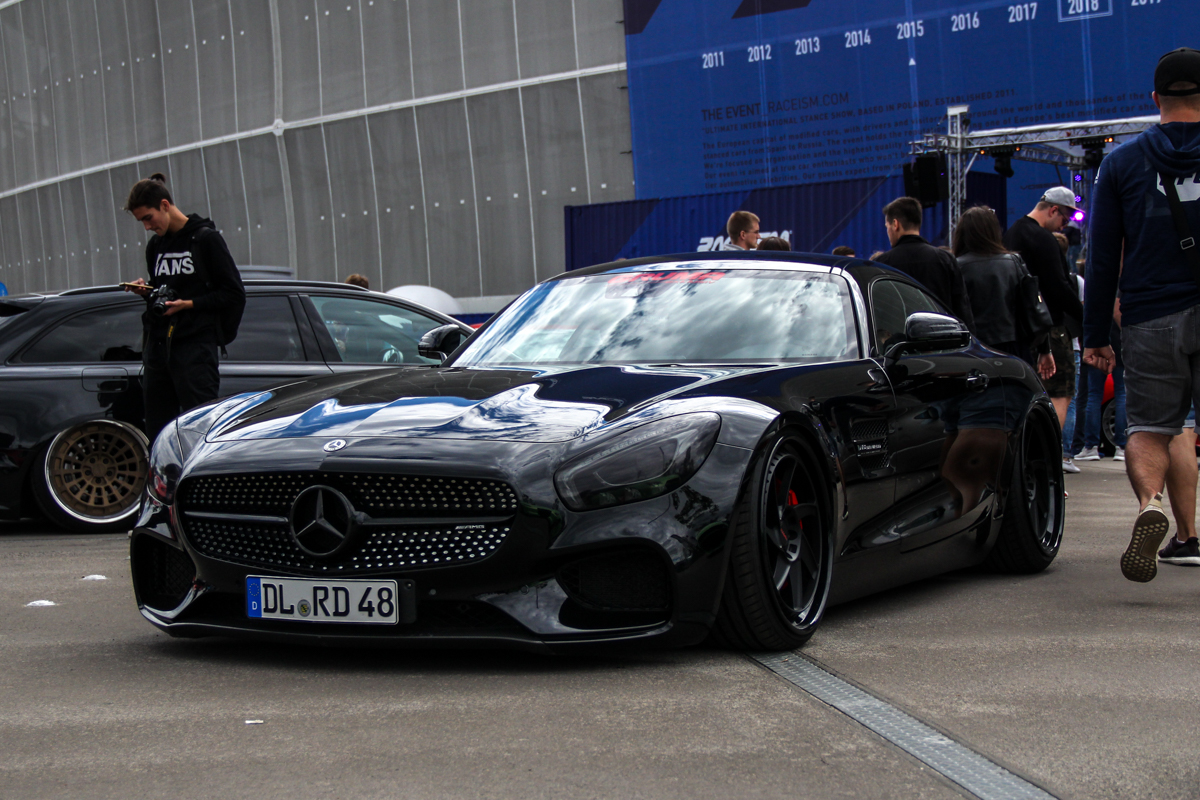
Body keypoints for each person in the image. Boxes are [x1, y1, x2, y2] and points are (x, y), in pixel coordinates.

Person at [1082, 47, 1200, 581]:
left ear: (1155, 99)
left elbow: (1102, 254)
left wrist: (1096, 336)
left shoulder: (1122, 163)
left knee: (1151, 427)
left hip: (1151, 314)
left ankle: (1151, 506)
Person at [122, 173, 245, 444]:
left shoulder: (205, 239)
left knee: (199, 428)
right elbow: (163, 292)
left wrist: (190, 304)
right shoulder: (156, 245)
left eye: (148, 218)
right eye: (141, 221)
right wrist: (148, 292)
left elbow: (233, 293)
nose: (147, 227)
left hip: (195, 348)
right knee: (159, 431)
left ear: (165, 205)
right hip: (159, 349)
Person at [1004, 186, 1085, 438]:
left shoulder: (1011, 235)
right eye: (1065, 218)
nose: (1064, 225)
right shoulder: (1044, 239)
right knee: (1060, 394)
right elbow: (1057, 287)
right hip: (1051, 327)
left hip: (1020, 330)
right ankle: (1049, 456)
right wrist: (1086, 316)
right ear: (1053, 210)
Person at [951, 206, 1054, 370]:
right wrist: (1044, 348)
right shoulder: (1013, 262)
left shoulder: (955, 267)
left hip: (971, 348)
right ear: (994, 230)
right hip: (1013, 345)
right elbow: (1033, 306)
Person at [873, 197, 975, 330]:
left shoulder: (882, 264)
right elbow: (962, 310)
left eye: (887, 227)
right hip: (944, 341)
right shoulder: (945, 260)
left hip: (900, 345)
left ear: (895, 224)